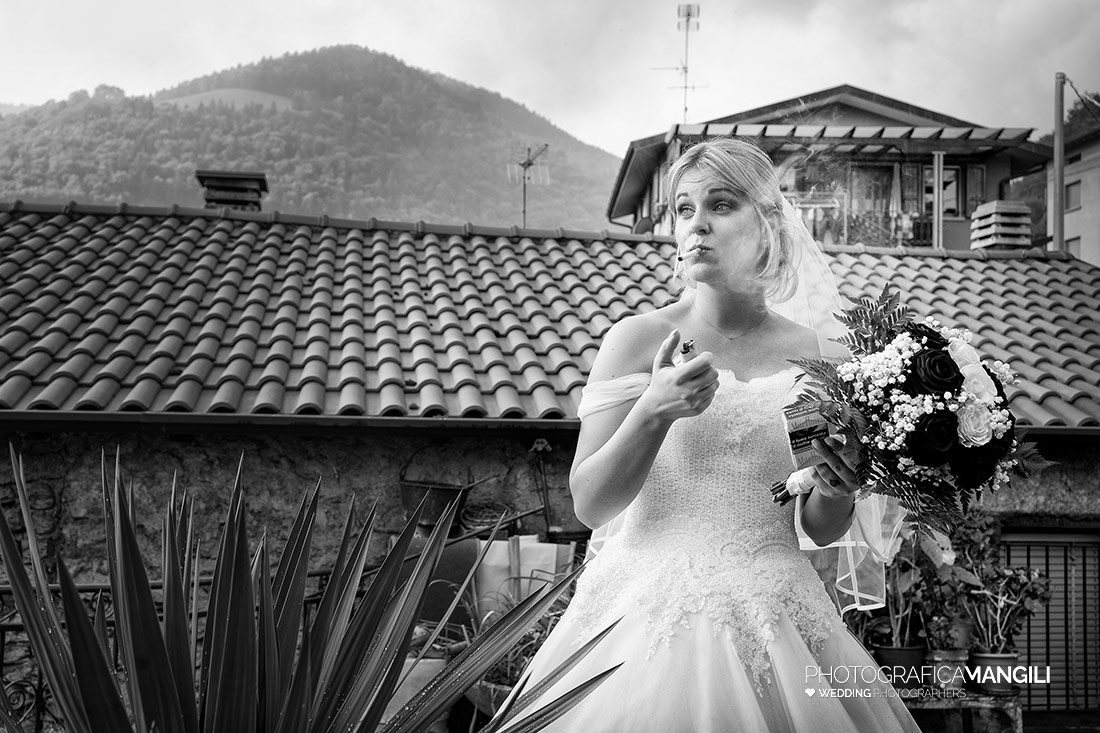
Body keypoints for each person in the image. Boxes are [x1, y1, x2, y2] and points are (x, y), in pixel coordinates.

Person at [496, 138, 919, 732]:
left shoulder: (817, 355)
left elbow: (819, 528)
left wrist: (839, 486)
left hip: (779, 608)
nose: (698, 226)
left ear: (767, 223)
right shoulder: (636, 341)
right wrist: (654, 410)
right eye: (684, 210)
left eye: (721, 205)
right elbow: (591, 504)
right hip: (646, 613)